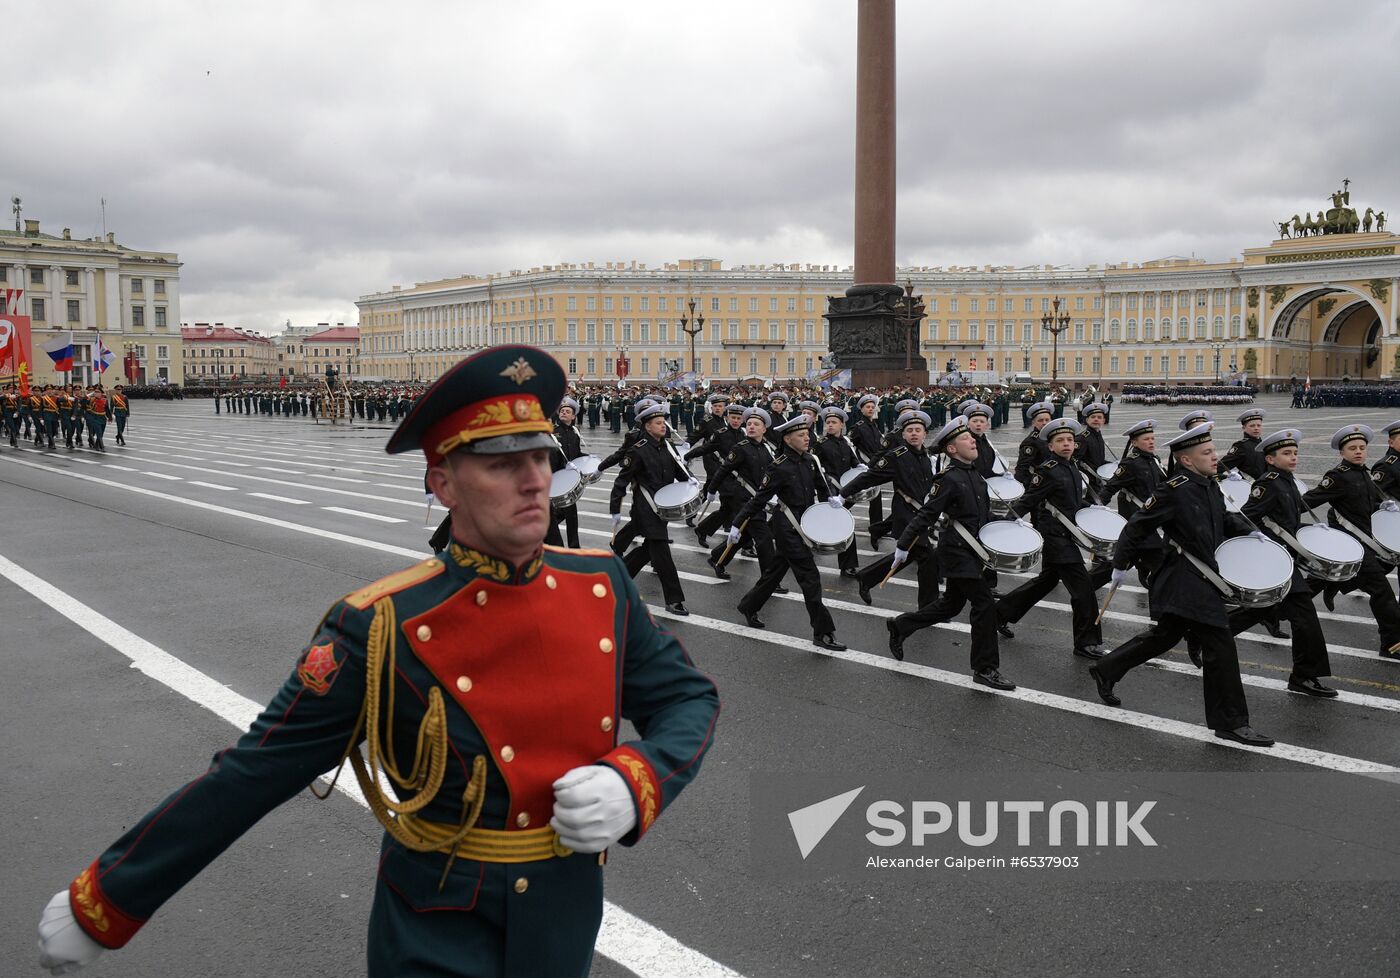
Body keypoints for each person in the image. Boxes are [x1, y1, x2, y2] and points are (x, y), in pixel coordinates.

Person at [35, 344, 720, 977]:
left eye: (539, 457)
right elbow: (255, 773)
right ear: (444, 484)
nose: (534, 479)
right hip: (436, 931)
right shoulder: (380, 623)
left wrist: (639, 781)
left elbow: (688, 700)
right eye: (500, 462)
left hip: (564, 920)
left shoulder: (599, 585)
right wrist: (110, 899)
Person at [1088, 421, 1274, 747]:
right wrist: (1119, 565)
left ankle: (1107, 668)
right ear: (1187, 460)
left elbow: (1224, 518)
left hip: (1202, 577)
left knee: (1165, 636)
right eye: (1207, 452)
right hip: (1184, 578)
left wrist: (1249, 532)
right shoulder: (1173, 490)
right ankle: (1230, 722)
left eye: (1213, 450)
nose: (1215, 456)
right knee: (1220, 644)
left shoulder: (1209, 484)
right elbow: (1136, 527)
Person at [885, 417, 1014, 690]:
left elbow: (981, 514)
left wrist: (1011, 524)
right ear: (952, 449)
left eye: (972, 437)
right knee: (984, 605)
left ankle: (901, 625)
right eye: (966, 439)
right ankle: (985, 667)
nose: (972, 440)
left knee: (951, 605)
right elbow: (927, 514)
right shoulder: (948, 479)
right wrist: (903, 545)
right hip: (957, 552)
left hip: (973, 551)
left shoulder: (975, 475)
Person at [1225, 429, 1335, 695]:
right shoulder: (1269, 483)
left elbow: (1288, 522)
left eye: (1295, 453)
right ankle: (1304, 676)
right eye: (1287, 453)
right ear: (1271, 459)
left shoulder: (1287, 481)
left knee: (1260, 610)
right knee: (1305, 617)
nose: (1294, 457)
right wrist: (1261, 542)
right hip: (1276, 558)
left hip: (1287, 557)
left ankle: (1206, 634)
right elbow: (1247, 518)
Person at [727, 415, 848, 651]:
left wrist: (831, 502)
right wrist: (737, 523)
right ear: (788, 439)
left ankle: (749, 606)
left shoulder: (811, 460)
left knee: (774, 571)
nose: (807, 438)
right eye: (801, 436)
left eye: (808, 434)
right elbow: (759, 499)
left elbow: (822, 488)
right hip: (787, 527)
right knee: (810, 577)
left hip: (805, 523)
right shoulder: (778, 466)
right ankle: (823, 632)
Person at [996, 418, 1105, 658]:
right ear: (1051, 446)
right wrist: (1005, 521)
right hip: (1056, 537)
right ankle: (1085, 642)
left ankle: (1000, 613)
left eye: (1069, 440)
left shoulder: (1071, 467)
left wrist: (1094, 509)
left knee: (1045, 582)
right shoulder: (1048, 471)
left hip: (1067, 534)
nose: (1066, 444)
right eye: (1060, 441)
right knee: (1083, 589)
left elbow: (1073, 502)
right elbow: (1029, 499)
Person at [1304, 425, 1400, 658]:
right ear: (1342, 452)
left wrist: (1384, 506)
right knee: (1382, 592)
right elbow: (1307, 501)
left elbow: (1369, 503)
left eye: (1362, 448)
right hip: (1350, 544)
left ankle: (1273, 610)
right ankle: (1391, 643)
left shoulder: (1363, 473)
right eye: (1352, 448)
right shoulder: (1338, 477)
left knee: (1312, 586)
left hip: (1365, 543)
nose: (1358, 452)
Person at [845, 410, 941, 608]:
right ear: (903, 435)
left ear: (925, 434)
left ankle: (867, 577)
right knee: (926, 555)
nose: (914, 433)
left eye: (918, 430)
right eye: (909, 430)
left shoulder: (927, 456)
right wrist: (843, 492)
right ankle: (929, 605)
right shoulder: (897, 456)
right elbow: (869, 477)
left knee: (913, 553)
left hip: (922, 514)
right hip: (906, 513)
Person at [610, 402, 693, 615]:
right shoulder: (637, 451)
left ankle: (617, 580)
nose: (663, 425)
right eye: (658, 423)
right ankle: (674, 600)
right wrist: (615, 510)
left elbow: (679, 470)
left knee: (648, 550)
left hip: (661, 509)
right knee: (662, 553)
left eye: (663, 421)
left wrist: (690, 481)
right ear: (647, 426)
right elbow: (621, 481)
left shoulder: (668, 446)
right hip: (645, 508)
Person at [703, 407, 780, 582]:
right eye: (750, 423)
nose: (751, 427)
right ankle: (769, 581)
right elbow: (723, 470)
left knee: (745, 534)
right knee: (764, 537)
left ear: (764, 429)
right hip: (742, 499)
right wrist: (711, 490)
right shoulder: (740, 448)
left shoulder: (766, 448)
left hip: (757, 499)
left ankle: (717, 558)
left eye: (756, 424)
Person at [1101, 419, 1166, 586]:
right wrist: (1097, 507)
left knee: (1132, 557)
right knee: (1156, 559)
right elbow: (1111, 486)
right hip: (1136, 519)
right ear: (1134, 442)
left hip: (1149, 518)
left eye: (1152, 438)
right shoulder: (1131, 463)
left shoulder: (1153, 460)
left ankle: (1089, 583)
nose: (1151, 441)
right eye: (1146, 439)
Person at [813, 406, 862, 577]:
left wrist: (860, 467)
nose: (830, 425)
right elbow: (817, 469)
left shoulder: (845, 442)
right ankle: (847, 565)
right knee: (844, 525)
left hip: (845, 492)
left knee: (842, 524)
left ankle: (848, 564)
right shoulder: (820, 445)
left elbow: (854, 461)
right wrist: (829, 491)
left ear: (841, 425)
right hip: (829, 492)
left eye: (834, 422)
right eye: (828, 423)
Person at [547, 396, 585, 549]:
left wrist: (589, 460)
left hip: (570, 480)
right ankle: (548, 534)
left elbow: (577, 454)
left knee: (571, 514)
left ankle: (574, 546)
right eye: (562, 411)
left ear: (573, 416)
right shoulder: (554, 432)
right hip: (557, 478)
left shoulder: (575, 432)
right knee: (561, 512)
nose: (564, 413)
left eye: (567, 411)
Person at [848, 394, 886, 547]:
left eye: (872, 407)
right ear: (862, 410)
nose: (870, 409)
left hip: (874, 467)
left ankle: (876, 530)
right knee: (854, 496)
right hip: (865, 467)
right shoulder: (858, 427)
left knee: (875, 498)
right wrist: (857, 464)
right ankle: (837, 509)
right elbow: (849, 446)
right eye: (867, 407)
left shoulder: (874, 425)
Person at [1218, 408, 1266, 480]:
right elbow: (1220, 467)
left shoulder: (1264, 444)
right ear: (1244, 428)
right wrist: (1225, 478)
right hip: (1248, 486)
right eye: (1252, 426)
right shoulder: (1241, 446)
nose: (1256, 428)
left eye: (1259, 425)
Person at [1014, 401, 1054, 485]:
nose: (1044, 423)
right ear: (1033, 423)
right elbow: (1022, 468)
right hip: (1039, 483)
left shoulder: (1053, 437)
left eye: (1047, 420)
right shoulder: (1031, 441)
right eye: (1040, 420)